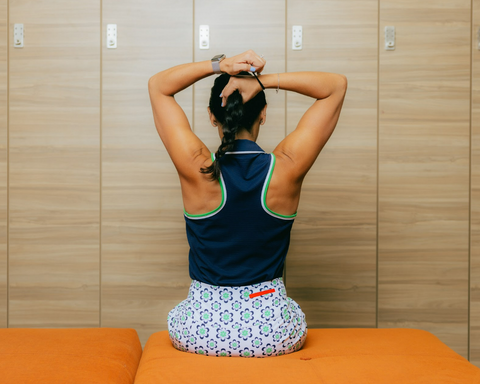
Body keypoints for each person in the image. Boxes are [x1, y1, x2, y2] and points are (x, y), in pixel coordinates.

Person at [148, 50, 347, 357]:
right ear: (263, 114)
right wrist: (262, 82)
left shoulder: (197, 168)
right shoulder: (287, 167)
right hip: (272, 333)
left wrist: (220, 65)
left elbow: (158, 85)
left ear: (212, 116)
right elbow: (335, 85)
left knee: (180, 316)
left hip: (200, 331)